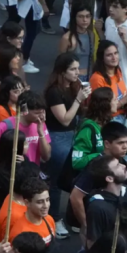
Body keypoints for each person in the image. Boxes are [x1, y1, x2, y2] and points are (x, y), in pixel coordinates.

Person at [44, 53, 90, 236]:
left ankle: (70, 216)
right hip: (57, 137)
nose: (77, 72)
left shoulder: (73, 87)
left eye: (78, 68)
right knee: (55, 180)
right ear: (62, 72)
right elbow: (64, 119)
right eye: (73, 69)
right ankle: (54, 218)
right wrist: (79, 99)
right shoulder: (54, 92)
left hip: (72, 136)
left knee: (73, 177)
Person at [7, 178, 61, 253]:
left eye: (47, 200)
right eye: (40, 202)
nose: (46, 205)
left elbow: (53, 247)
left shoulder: (49, 220)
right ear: (27, 203)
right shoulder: (20, 232)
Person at [0, 91, 52, 168]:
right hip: (9, 174)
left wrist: (41, 133)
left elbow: (46, 156)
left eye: (43, 112)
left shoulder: (40, 124)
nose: (41, 116)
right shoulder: (5, 126)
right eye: (37, 113)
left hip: (31, 174)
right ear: (25, 110)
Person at [89, 40, 127, 121]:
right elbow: (100, 110)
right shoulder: (97, 78)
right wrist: (125, 100)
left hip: (123, 116)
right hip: (109, 120)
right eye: (109, 55)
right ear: (102, 58)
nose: (114, 58)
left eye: (116, 53)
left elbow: (121, 95)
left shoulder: (118, 71)